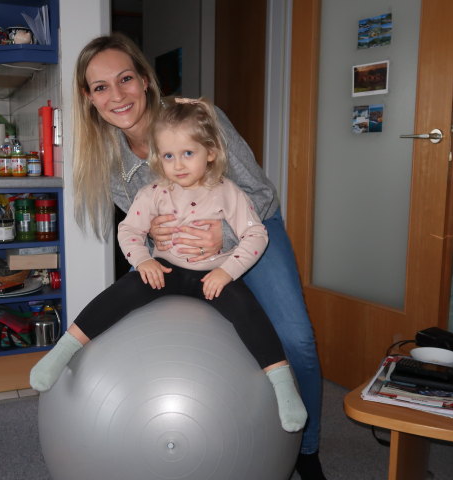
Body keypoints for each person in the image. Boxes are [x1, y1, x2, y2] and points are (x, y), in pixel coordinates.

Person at [65, 33, 324, 478]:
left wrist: (221, 235)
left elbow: (260, 195)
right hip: (182, 254)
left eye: (125, 78)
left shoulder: (202, 119)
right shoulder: (105, 157)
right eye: (101, 87)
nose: (117, 95)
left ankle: (308, 452)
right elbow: (139, 226)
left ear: (145, 80)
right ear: (89, 99)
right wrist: (152, 239)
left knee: (296, 338)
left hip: (251, 229)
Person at [31, 98, 307, 433]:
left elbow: (256, 236)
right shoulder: (153, 192)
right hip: (168, 270)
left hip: (214, 277)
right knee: (123, 290)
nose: (178, 164)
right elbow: (129, 230)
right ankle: (63, 349)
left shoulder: (228, 192)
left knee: (248, 311)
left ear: (211, 153)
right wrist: (143, 259)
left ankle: (282, 384)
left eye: (187, 153)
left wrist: (227, 272)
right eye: (168, 155)